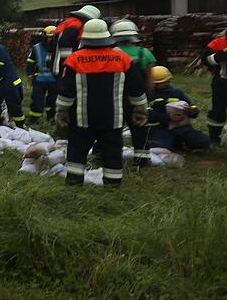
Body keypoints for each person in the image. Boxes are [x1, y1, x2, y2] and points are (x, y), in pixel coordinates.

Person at [55, 19, 148, 187]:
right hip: (112, 119)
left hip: (82, 119)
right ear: (107, 37)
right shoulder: (122, 59)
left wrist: (61, 112)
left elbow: (65, 93)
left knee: (77, 150)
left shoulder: (74, 60)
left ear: (84, 38)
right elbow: (136, 89)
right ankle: (113, 185)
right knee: (112, 152)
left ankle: (74, 184)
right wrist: (140, 110)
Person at [112, 19, 157, 167]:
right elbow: (151, 79)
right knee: (139, 128)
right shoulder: (144, 53)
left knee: (114, 128)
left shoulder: (112, 54)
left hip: (116, 97)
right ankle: (142, 159)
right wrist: (149, 96)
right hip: (138, 98)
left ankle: (111, 156)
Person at [145, 65, 210, 152]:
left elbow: (193, 107)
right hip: (157, 128)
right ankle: (172, 143)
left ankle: (180, 141)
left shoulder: (176, 93)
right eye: (163, 82)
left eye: (167, 81)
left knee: (203, 141)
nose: (166, 84)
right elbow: (145, 115)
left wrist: (192, 111)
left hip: (179, 127)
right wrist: (168, 118)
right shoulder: (147, 96)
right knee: (161, 147)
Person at [52, 4, 102, 76]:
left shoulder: (69, 21)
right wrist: (70, 63)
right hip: (64, 67)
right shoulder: (76, 24)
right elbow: (65, 42)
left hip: (57, 64)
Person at [25, 26, 58, 125]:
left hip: (54, 79)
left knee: (52, 100)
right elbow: (30, 61)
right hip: (39, 78)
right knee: (37, 99)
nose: (50, 39)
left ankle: (51, 118)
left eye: (52, 37)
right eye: (48, 37)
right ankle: (34, 119)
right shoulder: (37, 47)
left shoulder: (59, 48)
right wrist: (30, 73)